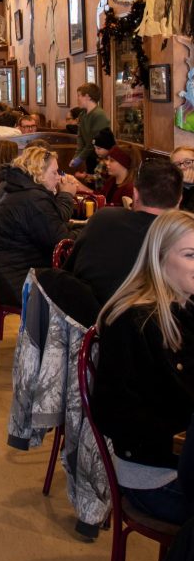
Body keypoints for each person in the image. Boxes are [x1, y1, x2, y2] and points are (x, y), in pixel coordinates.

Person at [92, 210, 194, 525]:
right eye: (190, 255)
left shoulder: (183, 304)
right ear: (158, 257)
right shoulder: (134, 321)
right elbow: (115, 415)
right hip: (155, 476)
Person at [66, 158, 182, 308]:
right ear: (179, 200)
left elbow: (69, 270)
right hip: (137, 326)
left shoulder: (103, 217)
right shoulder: (180, 242)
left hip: (80, 316)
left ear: (135, 194)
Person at [0, 146, 79, 308]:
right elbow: (61, 241)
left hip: (7, 278)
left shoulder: (22, 190)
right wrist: (88, 234)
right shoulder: (33, 198)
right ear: (39, 173)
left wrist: (81, 230)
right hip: (19, 285)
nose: (58, 178)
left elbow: (51, 226)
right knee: (85, 290)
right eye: (54, 173)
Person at [70, 83, 111, 174]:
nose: (78, 99)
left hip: (101, 159)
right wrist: (76, 157)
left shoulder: (99, 115)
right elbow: (80, 137)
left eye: (79, 95)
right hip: (89, 157)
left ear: (88, 97)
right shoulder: (82, 114)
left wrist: (80, 157)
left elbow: (94, 142)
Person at [101, 143, 139, 207]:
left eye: (112, 160)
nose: (107, 163)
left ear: (124, 164)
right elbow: (100, 196)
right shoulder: (111, 180)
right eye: (108, 159)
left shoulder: (130, 189)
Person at [171, 146, 194, 213]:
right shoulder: (169, 188)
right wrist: (184, 187)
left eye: (187, 162)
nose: (182, 167)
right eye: (177, 165)